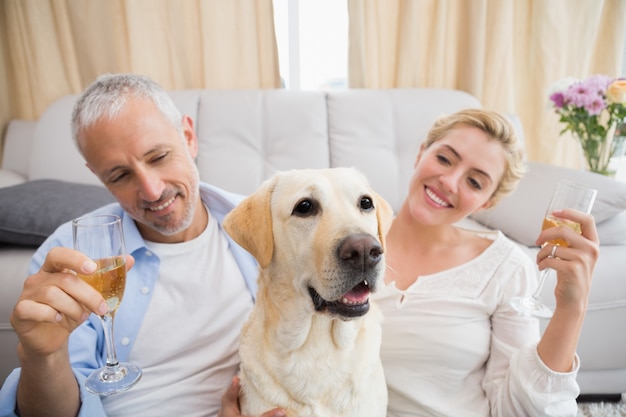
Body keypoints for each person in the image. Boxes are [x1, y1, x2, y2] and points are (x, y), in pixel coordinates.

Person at [219, 109, 599, 417]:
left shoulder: (505, 268)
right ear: (420, 154)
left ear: (488, 203)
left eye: (475, 182)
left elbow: (520, 409)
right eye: (444, 158)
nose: (449, 181)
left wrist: (571, 305)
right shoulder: (329, 253)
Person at [0, 73, 285, 417]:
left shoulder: (263, 227)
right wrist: (42, 357)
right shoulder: (66, 258)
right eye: (120, 176)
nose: (151, 190)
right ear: (99, 177)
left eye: (158, 157)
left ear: (189, 137)